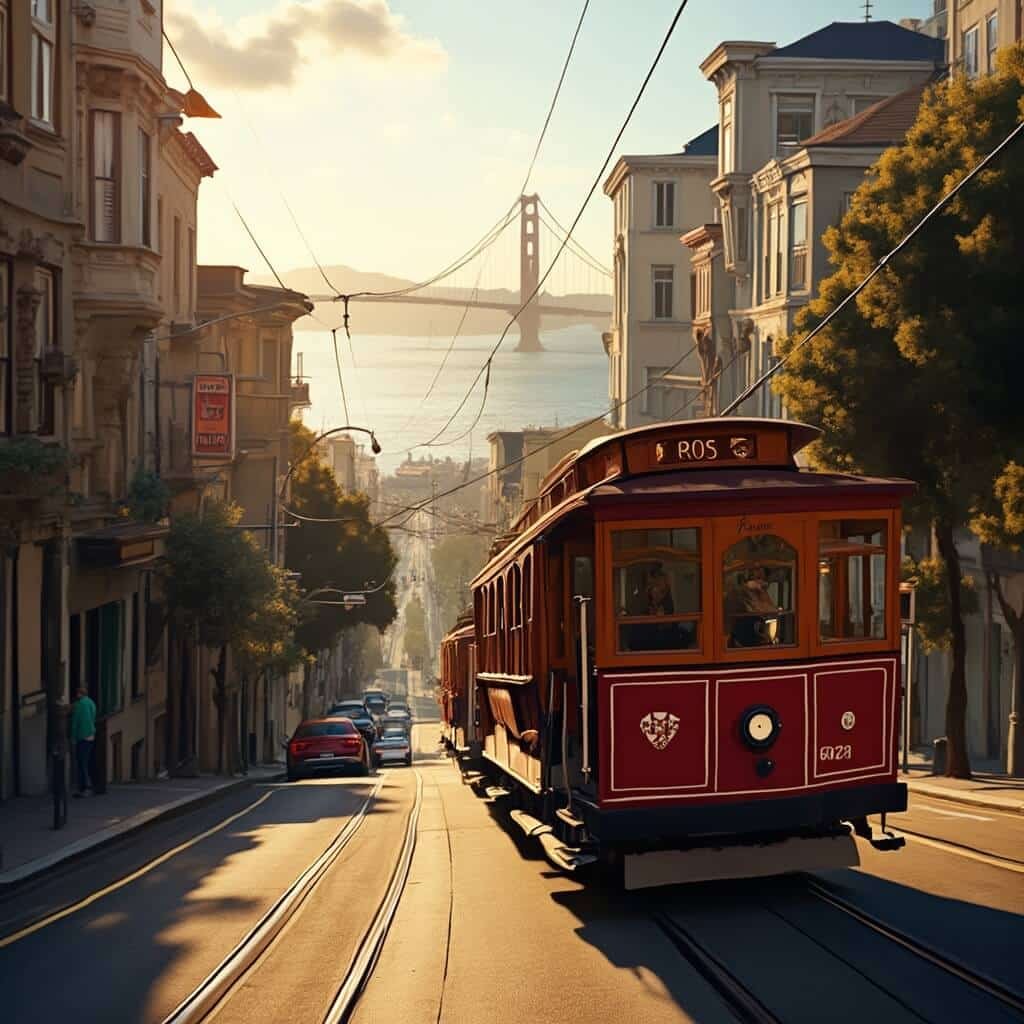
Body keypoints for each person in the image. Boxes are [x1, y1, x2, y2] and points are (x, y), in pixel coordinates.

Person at [70, 686, 97, 797]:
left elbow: (75, 722)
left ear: (79, 694)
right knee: (85, 761)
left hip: (82, 736)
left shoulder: (79, 705)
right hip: (91, 735)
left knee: (81, 763)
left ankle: (85, 787)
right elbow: (94, 716)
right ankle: (85, 787)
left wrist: (73, 737)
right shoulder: (91, 702)